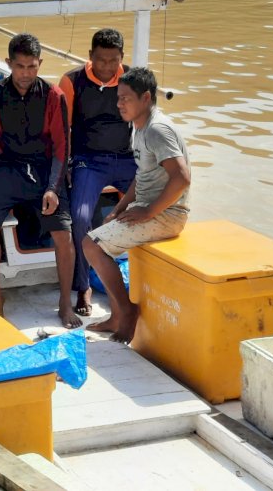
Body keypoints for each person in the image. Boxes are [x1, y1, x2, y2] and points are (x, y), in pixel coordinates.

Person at [0, 33, 81, 328]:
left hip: (45, 171)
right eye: (20, 66)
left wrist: (54, 189)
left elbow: (61, 147)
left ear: (40, 63)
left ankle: (65, 302)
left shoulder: (54, 96)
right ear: (8, 64)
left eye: (32, 66)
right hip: (9, 167)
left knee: (64, 236)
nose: (26, 73)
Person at [83, 67, 190, 343]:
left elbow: (182, 178)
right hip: (149, 206)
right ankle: (119, 313)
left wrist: (149, 212)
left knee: (91, 245)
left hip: (168, 214)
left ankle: (126, 311)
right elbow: (141, 176)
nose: (119, 104)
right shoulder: (139, 126)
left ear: (145, 98)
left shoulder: (157, 129)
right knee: (96, 237)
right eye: (118, 97)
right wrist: (120, 209)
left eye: (126, 98)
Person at [58, 28, 136, 318]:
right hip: (88, 160)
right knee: (79, 217)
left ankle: (150, 278)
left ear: (122, 58)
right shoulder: (72, 81)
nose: (106, 67)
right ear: (90, 56)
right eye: (101, 60)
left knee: (159, 205)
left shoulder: (133, 79)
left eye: (113, 60)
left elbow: (145, 127)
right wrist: (63, 166)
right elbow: (61, 129)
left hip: (127, 159)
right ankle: (83, 285)